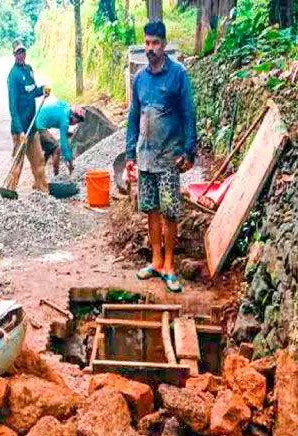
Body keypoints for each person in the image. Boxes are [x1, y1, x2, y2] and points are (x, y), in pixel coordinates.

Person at [125, 20, 197, 293]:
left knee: (169, 212)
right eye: (147, 43)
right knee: (151, 211)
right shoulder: (140, 79)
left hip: (169, 157)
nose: (150, 48)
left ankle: (169, 265)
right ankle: (155, 261)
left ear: (164, 45)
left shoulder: (178, 75)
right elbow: (133, 117)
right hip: (145, 157)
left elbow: (188, 114)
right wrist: (130, 153)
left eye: (155, 43)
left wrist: (189, 150)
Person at [7, 38, 50, 192]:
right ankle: (9, 193)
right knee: (17, 165)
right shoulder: (13, 75)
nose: (21, 55)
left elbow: (32, 92)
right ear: (14, 54)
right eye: (18, 52)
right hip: (20, 130)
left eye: (22, 51)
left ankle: (42, 191)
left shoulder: (29, 70)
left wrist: (42, 90)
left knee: (39, 162)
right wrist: (20, 131)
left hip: (32, 127)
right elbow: (13, 106)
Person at [35, 98, 85, 176]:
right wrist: (70, 161)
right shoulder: (65, 120)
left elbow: (56, 115)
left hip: (37, 119)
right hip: (38, 126)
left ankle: (39, 173)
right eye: (77, 121)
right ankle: (56, 176)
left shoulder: (65, 106)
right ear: (73, 117)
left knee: (49, 148)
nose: (75, 124)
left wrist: (65, 132)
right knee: (56, 148)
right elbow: (64, 145)